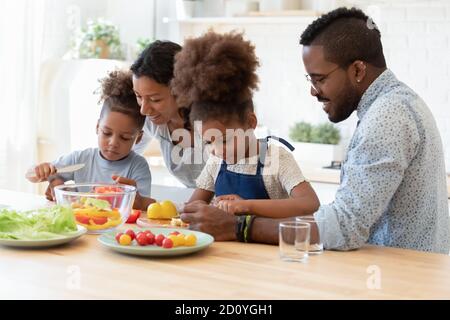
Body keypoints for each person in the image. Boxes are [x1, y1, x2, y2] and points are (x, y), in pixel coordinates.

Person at [180, 7, 450, 254]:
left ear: (357, 70)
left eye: (319, 79)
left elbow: (344, 227)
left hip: (404, 278)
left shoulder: (387, 116)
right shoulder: (397, 103)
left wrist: (240, 227)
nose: (313, 90)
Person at [171, 31, 320, 219]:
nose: (217, 150)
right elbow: (193, 206)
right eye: (209, 142)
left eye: (224, 140)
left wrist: (246, 206)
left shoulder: (276, 158)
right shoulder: (216, 163)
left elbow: (310, 203)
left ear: (251, 123)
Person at [26, 70, 152, 204]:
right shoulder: (80, 159)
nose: (113, 143)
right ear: (97, 127)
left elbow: (145, 206)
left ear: (138, 138)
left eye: (125, 137)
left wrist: (134, 198)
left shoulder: (138, 166)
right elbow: (30, 176)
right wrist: (48, 175)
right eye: (107, 133)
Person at [130, 40, 206, 189]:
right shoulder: (153, 120)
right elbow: (126, 154)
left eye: (155, 99)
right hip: (195, 204)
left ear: (181, 90)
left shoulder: (211, 121)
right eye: (139, 96)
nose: (144, 110)